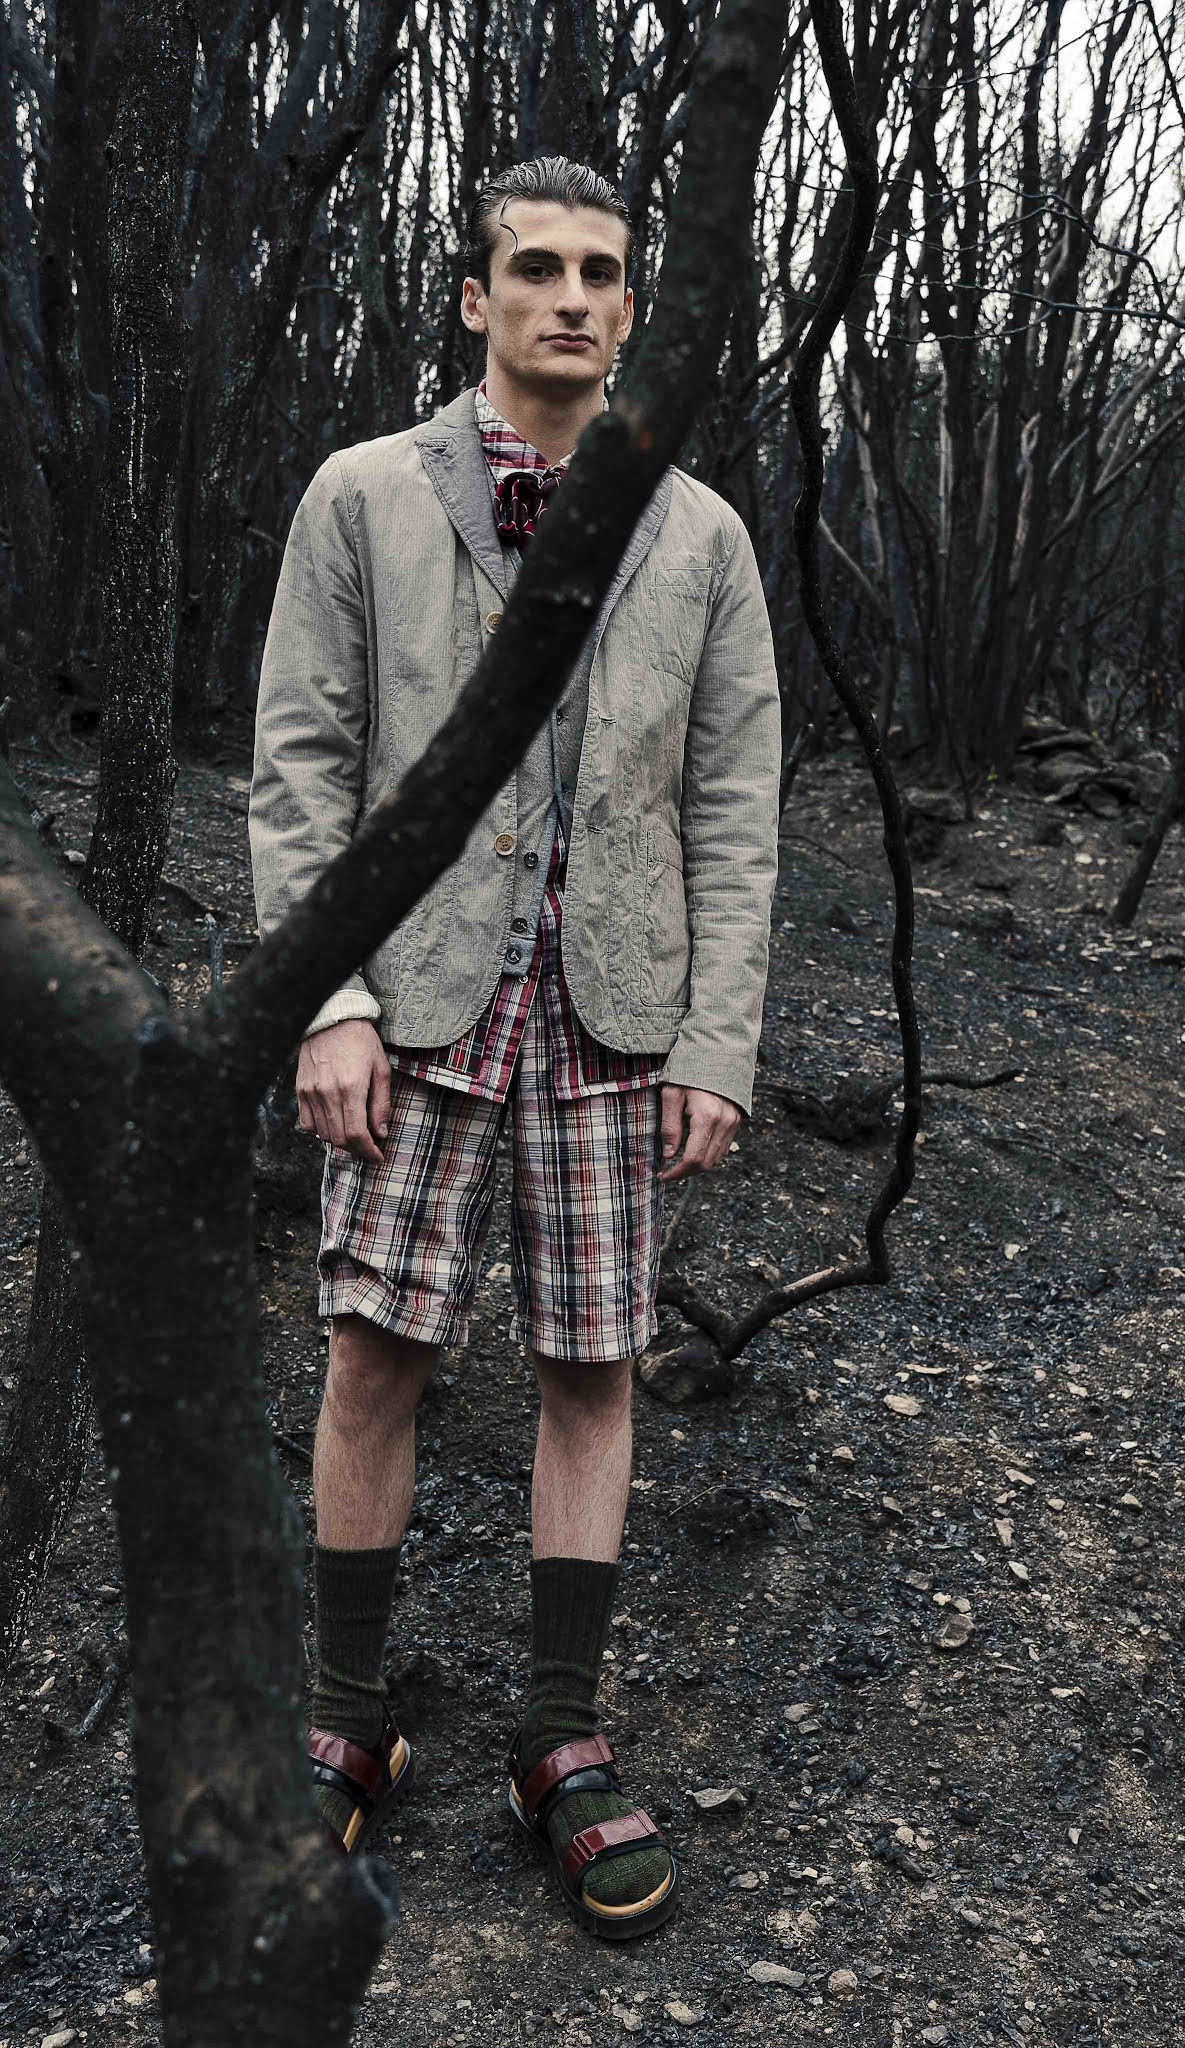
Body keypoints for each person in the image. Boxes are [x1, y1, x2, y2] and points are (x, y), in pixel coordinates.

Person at [248, 154, 782, 1939]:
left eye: (600, 272)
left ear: (631, 306)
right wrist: (324, 1000)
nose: (570, 297)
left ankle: (558, 1733)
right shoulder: (363, 495)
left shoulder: (696, 533)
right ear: (475, 298)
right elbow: (300, 767)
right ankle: (347, 1717)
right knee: (372, 1349)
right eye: (535, 268)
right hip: (413, 1003)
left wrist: (715, 1040)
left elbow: (735, 810)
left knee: (591, 1366)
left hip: (616, 1011)